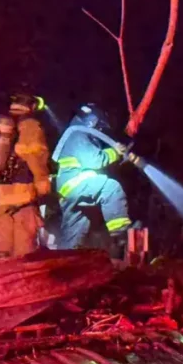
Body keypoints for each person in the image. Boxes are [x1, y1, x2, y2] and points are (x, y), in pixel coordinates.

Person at [53, 103, 138, 252]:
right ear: (91, 121)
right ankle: (120, 234)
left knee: (74, 231)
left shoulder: (74, 134)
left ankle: (63, 258)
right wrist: (115, 152)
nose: (99, 130)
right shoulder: (78, 135)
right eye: (98, 126)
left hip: (68, 189)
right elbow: (95, 160)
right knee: (111, 188)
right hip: (76, 184)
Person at [0, 92, 51, 257]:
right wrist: (42, 182)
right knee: (25, 251)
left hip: (0, 195)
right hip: (23, 197)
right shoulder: (31, 126)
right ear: (31, 106)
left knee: (2, 249)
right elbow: (36, 157)